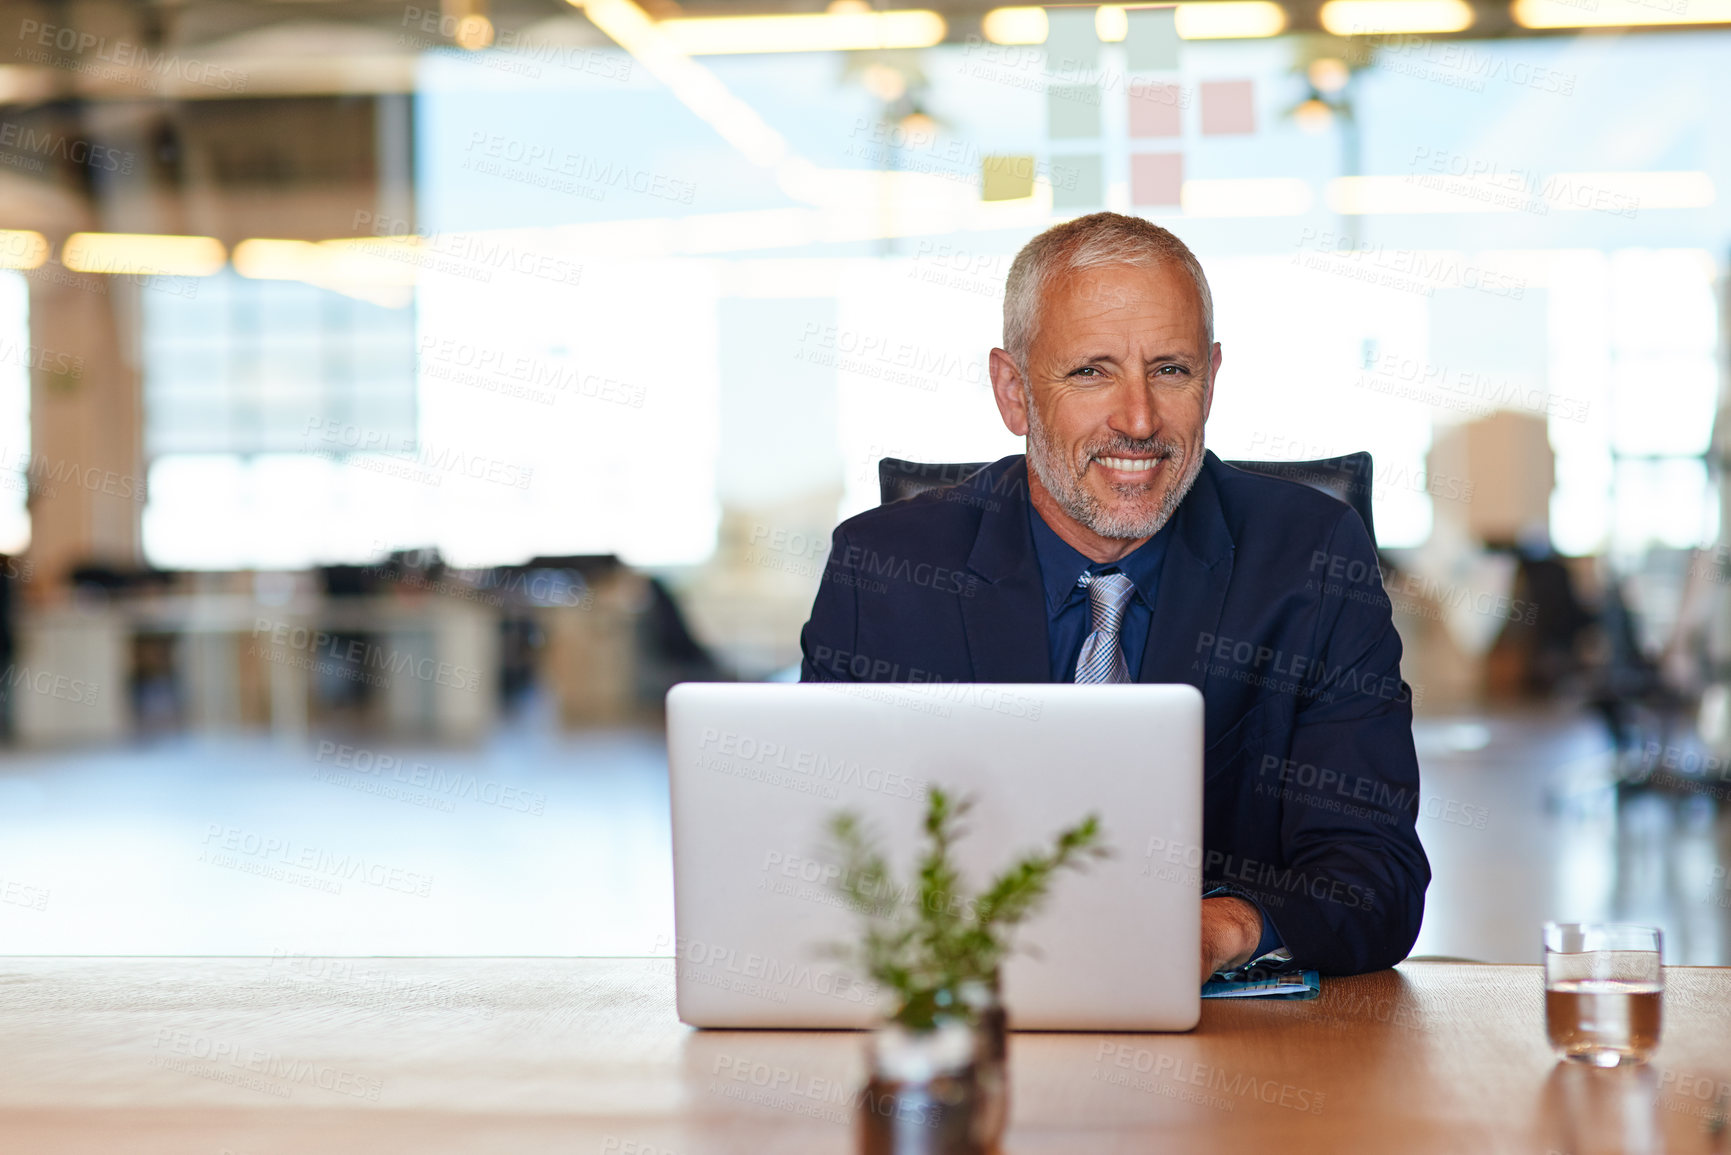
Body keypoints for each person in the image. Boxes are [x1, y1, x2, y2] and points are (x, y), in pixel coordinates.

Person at [799, 212, 1429, 980]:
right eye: (1091, 371)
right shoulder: (885, 570)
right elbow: (823, 859)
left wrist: (1215, 930)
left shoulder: (1312, 557)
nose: (1138, 420)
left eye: (1170, 369)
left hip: (1231, 1058)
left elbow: (1376, 878)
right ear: (1014, 391)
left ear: (1211, 378)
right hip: (968, 1012)